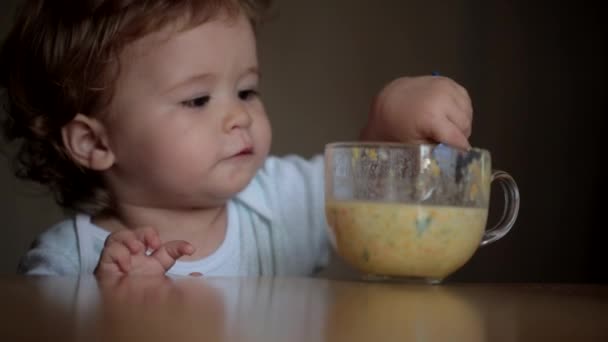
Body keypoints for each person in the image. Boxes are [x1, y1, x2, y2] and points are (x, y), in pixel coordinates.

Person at [0, 0, 473, 277]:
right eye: (197, 100)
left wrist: (389, 120)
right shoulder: (66, 266)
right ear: (95, 143)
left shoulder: (277, 203)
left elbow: (366, 184)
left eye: (246, 90)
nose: (238, 116)